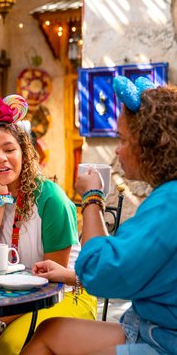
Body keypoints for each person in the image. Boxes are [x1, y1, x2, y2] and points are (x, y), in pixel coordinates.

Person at [22, 78, 177, 355]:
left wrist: (92, 199)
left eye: (122, 139)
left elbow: (101, 272)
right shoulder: (168, 196)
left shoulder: (169, 205)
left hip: (164, 342)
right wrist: (71, 276)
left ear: (149, 145)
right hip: (152, 328)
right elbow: (135, 268)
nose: (117, 150)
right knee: (49, 331)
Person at [0, 94, 97, 355]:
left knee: (10, 344)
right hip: (9, 296)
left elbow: (55, 279)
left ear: (24, 154)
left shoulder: (50, 198)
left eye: (9, 150)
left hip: (65, 293)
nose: (1, 158)